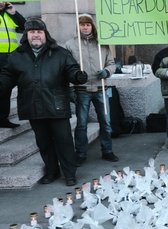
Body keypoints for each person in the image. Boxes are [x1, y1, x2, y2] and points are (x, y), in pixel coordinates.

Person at [0, 17, 88, 186]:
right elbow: (6, 78)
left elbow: (71, 69)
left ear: (45, 34)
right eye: (32, 32)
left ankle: (69, 174)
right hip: (32, 105)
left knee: (64, 141)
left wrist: (77, 76)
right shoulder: (16, 56)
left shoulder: (60, 53)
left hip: (56, 104)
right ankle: (52, 171)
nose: (36, 35)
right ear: (26, 35)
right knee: (44, 142)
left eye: (39, 32)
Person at [64, 14, 119, 164]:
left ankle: (107, 150)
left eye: (88, 24)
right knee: (81, 124)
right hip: (81, 90)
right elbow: (66, 68)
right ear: (78, 26)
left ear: (92, 26)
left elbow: (111, 63)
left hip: (101, 88)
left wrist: (107, 72)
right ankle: (80, 153)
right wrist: (72, 84)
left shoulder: (102, 43)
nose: (85, 27)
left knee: (106, 122)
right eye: (82, 24)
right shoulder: (70, 45)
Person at [0, 2, 25, 128]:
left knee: (6, 88)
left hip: (10, 56)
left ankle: (3, 119)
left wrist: (13, 12)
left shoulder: (9, 14)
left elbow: (24, 25)